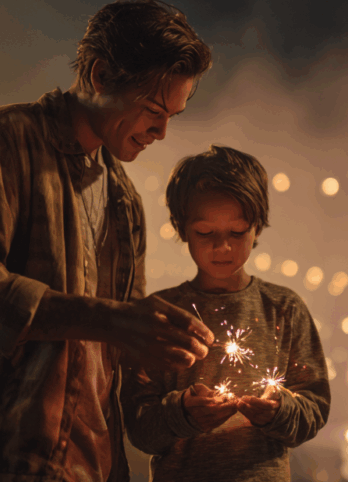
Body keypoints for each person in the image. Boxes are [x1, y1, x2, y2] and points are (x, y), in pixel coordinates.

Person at [0, 0, 214, 482]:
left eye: (173, 114)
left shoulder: (123, 200)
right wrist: (110, 321)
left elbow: (115, 354)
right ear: (101, 75)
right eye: (153, 108)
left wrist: (177, 380)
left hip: (85, 467)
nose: (162, 132)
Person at [120, 145, 331, 481]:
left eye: (237, 232)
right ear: (181, 227)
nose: (223, 247)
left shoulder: (284, 309)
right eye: (205, 233)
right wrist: (182, 414)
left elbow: (315, 408)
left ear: (257, 227)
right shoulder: (165, 315)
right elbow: (139, 428)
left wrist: (279, 412)